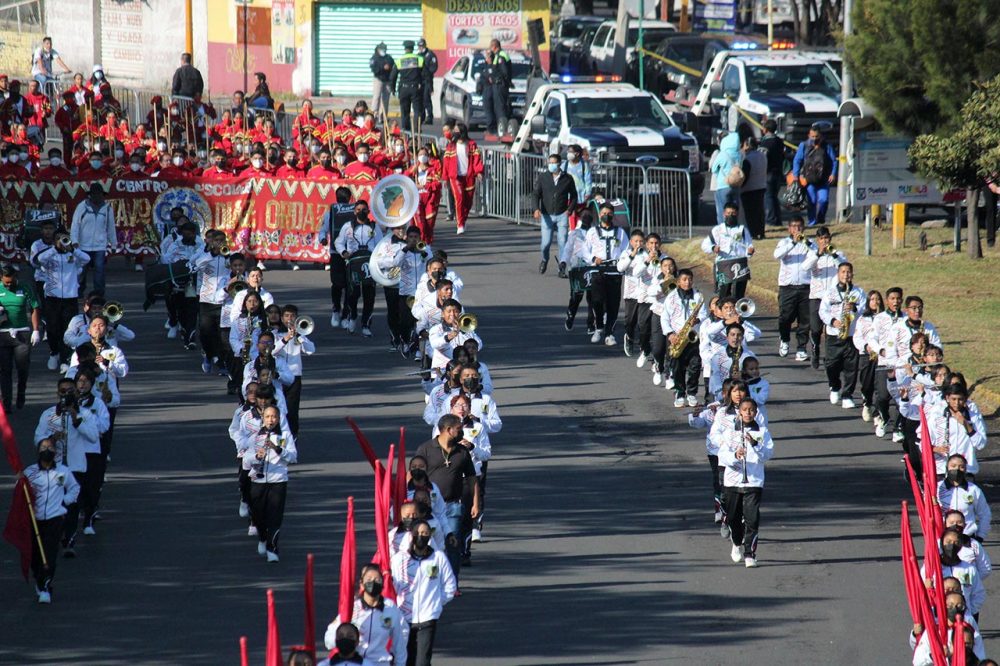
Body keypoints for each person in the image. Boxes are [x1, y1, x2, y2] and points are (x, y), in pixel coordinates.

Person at [34, 377, 100, 557]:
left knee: (72, 505)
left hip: (76, 467)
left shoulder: (84, 414)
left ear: (76, 392)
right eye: (63, 391)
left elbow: (93, 437)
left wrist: (75, 418)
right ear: (57, 393)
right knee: (56, 504)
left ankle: (69, 540)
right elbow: (38, 439)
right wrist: (52, 439)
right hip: (54, 468)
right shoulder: (48, 414)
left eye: (70, 391)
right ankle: (56, 535)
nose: (66, 395)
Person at [415, 415, 481, 581]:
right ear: (448, 430)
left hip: (453, 507)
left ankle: (452, 582)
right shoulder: (426, 449)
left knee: (453, 544)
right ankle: (430, 580)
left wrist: (475, 503)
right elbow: (414, 475)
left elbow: (473, 478)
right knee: (430, 544)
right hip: (429, 508)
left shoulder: (462, 452)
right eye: (459, 429)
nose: (462, 433)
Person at [390, 518, 457, 666]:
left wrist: (436, 603)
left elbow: (450, 585)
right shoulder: (399, 560)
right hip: (404, 619)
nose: (421, 536)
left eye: (425, 533)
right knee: (406, 660)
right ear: (411, 536)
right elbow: (392, 586)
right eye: (418, 533)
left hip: (427, 619)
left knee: (422, 662)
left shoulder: (438, 558)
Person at [718, 398, 774, 568]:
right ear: (739, 412)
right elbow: (722, 456)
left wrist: (755, 445)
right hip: (732, 482)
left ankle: (750, 554)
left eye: (751, 410)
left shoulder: (762, 432)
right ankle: (736, 542)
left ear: (756, 412)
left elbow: (768, 455)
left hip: (754, 482)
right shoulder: (729, 433)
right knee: (733, 517)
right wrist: (735, 455)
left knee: (752, 518)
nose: (748, 412)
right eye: (745, 409)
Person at [24, 438, 80, 604]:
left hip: (55, 519)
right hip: (35, 520)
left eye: (49, 447)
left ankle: (45, 586)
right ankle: (39, 578)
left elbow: (74, 488)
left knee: (49, 554)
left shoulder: (63, 471)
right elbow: (22, 494)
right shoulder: (30, 472)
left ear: (55, 452)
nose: (46, 450)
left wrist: (65, 501)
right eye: (43, 447)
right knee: (35, 556)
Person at [242, 405, 296, 562]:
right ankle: (263, 537)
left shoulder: (284, 435)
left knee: (275, 515)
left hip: (278, 480)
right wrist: (257, 457)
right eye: (267, 417)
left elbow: (293, 457)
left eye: (273, 417)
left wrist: (278, 449)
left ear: (278, 419)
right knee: (258, 514)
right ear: (263, 419)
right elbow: (246, 460)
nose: (270, 420)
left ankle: (273, 548)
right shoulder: (254, 437)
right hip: (258, 480)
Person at [323, 563, 408, 664]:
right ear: (361, 583)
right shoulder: (352, 607)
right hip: (355, 662)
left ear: (382, 584)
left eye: (377, 580)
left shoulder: (390, 609)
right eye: (369, 579)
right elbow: (329, 639)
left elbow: (400, 642)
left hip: (379, 663)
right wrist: (346, 639)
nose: (373, 582)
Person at [38, 231, 90, 371]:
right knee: (52, 328)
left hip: (70, 298)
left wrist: (72, 249)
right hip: (52, 297)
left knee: (68, 328)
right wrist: (55, 248)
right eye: (59, 239)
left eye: (64, 239)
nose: (62, 241)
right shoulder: (49, 254)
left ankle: (65, 359)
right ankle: (54, 352)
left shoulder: (73, 254)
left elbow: (87, 259)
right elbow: (40, 260)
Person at [818, 262, 865, 409]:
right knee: (831, 365)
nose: (846, 275)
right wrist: (833, 321)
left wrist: (855, 307)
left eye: (849, 272)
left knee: (851, 367)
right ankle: (834, 386)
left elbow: (865, 310)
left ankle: (847, 395)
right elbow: (822, 311)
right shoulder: (830, 292)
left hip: (852, 336)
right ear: (838, 274)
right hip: (834, 335)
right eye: (843, 272)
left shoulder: (858, 292)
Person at [661, 268, 709, 408]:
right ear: (678, 281)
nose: (687, 282)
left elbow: (704, 314)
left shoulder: (698, 296)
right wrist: (670, 334)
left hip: (693, 337)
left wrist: (698, 320)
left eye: (690, 280)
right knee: (677, 368)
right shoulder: (671, 297)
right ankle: (680, 393)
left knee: (695, 366)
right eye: (684, 280)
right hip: (677, 336)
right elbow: (665, 318)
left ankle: (692, 393)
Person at [802, 226, 846, 369]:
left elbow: (844, 267)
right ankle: (815, 349)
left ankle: (829, 357)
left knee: (830, 329)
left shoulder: (838, 254)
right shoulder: (812, 254)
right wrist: (818, 254)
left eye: (826, 238)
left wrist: (833, 255)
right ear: (818, 240)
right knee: (815, 329)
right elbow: (805, 268)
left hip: (832, 298)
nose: (824, 241)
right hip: (816, 296)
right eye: (821, 239)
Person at [585, 202, 627, 345]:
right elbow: (584, 250)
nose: (606, 216)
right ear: (599, 215)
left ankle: (610, 333)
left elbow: (625, 250)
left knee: (613, 304)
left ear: (613, 215)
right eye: (603, 213)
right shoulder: (592, 232)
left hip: (614, 272)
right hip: (598, 271)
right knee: (596, 301)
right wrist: (592, 259)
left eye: (609, 214)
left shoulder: (620, 232)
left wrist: (622, 262)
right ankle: (598, 327)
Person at [0, 266, 42, 411]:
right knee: (5, 370)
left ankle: (21, 393)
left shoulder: (24, 287)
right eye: (6, 283)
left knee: (22, 367)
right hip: (3, 333)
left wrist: (36, 330)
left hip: (21, 333)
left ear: (16, 277)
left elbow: (34, 307)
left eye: (11, 282)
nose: (9, 285)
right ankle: (6, 403)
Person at [774, 216, 813, 361]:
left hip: (806, 286)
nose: (797, 229)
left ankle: (801, 348)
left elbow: (816, 255)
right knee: (785, 317)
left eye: (799, 226)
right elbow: (777, 255)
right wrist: (793, 242)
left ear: (803, 227)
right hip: (787, 287)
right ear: (789, 228)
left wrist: (806, 243)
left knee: (805, 320)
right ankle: (784, 339)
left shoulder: (810, 243)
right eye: (794, 226)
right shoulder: (784, 242)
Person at [533, 152, 578, 275]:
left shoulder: (567, 178)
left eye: (554, 162)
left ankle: (561, 267)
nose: (552, 165)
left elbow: (574, 196)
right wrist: (536, 208)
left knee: (562, 241)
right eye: (550, 162)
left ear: (559, 164)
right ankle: (544, 259)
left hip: (562, 214)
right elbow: (536, 194)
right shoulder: (543, 177)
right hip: (547, 214)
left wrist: (570, 209)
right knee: (545, 243)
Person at [274, 305, 314, 438]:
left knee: (292, 409)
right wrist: (285, 339)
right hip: (278, 376)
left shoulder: (301, 334)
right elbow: (272, 351)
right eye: (286, 316)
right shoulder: (275, 334)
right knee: (277, 408)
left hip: (294, 376)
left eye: (292, 316)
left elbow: (311, 350)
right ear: (281, 318)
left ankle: (293, 436)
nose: (289, 319)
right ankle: (277, 435)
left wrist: (300, 337)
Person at [70, 183, 116, 297]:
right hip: (83, 245)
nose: (97, 197)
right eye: (94, 194)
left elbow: (111, 227)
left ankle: (99, 293)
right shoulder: (82, 206)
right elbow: (75, 225)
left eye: (99, 194)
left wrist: (113, 244)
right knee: (82, 270)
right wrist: (74, 240)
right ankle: (79, 290)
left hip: (100, 245)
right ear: (90, 195)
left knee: (99, 270)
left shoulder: (107, 209)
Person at [702, 201, 754, 299]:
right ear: (724, 214)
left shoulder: (742, 230)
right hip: (723, 263)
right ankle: (723, 310)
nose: (730, 215)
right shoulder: (717, 230)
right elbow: (705, 245)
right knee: (724, 291)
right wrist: (713, 248)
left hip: (739, 264)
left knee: (739, 292)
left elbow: (748, 245)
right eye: (728, 213)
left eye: (733, 213)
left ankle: (738, 311)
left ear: (737, 214)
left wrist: (750, 252)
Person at [791, 123, 837, 227]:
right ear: (809, 135)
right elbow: (797, 160)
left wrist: (833, 174)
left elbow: (834, 161)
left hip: (823, 179)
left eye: (817, 136)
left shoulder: (827, 146)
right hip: (809, 179)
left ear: (820, 136)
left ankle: (821, 218)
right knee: (812, 201)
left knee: (823, 200)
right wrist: (796, 175)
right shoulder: (804, 145)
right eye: (812, 136)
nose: (814, 139)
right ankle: (812, 221)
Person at [939, 454, 991, 541]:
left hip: (967, 538)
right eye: (953, 466)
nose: (957, 469)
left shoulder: (973, 490)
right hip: (943, 539)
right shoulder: (937, 489)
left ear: (966, 470)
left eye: (961, 467)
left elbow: (985, 514)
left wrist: (980, 536)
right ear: (947, 467)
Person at [441, 124, 482, 234]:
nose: (454, 132)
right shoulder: (451, 146)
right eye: (453, 130)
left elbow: (476, 159)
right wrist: (445, 178)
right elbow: (446, 163)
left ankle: (463, 220)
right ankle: (460, 225)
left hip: (468, 176)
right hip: (455, 177)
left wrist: (478, 172)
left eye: (456, 130)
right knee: (459, 199)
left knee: (468, 202)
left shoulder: (471, 144)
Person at [616, 230, 650, 357]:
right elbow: (620, 268)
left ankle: (643, 344)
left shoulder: (647, 254)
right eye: (636, 241)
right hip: (631, 293)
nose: (638, 243)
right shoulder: (626, 253)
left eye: (641, 241)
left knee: (643, 322)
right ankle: (629, 337)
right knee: (630, 321)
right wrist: (632, 255)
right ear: (631, 242)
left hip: (645, 293)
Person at [480, 40, 512, 138]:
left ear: (494, 47)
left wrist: (498, 80)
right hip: (497, 85)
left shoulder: (500, 56)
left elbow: (504, 72)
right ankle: (500, 130)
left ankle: (503, 131)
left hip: (499, 85)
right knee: (498, 108)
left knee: (500, 108)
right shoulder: (498, 55)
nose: (490, 49)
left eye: (491, 47)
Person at [710, 130, 742, 226]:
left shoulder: (722, 154)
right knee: (735, 209)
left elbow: (713, 168)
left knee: (723, 209)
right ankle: (735, 226)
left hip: (723, 185)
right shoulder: (738, 155)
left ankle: (723, 228)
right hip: (736, 185)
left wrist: (719, 174)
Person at [759, 118, 785, 228]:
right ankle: (778, 218)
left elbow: (762, 158)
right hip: (778, 172)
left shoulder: (765, 143)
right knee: (774, 196)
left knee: (768, 197)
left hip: (768, 173)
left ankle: (770, 220)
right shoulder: (779, 141)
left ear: (765, 129)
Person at [740, 135, 767, 240]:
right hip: (761, 186)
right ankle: (761, 231)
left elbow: (745, 176)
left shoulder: (748, 159)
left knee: (750, 213)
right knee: (760, 211)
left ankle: (753, 233)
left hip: (749, 188)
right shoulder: (762, 155)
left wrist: (740, 185)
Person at [370, 43, 394, 117]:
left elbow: (393, 67)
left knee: (385, 99)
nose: (383, 51)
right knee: (376, 97)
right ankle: (373, 114)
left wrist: (389, 67)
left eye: (384, 49)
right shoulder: (374, 58)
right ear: (378, 49)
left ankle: (383, 116)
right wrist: (383, 68)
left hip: (387, 80)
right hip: (378, 79)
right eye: (381, 49)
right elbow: (374, 69)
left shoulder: (389, 58)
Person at [417, 38, 438, 124]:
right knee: (420, 98)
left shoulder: (430, 55)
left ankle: (429, 117)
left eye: (422, 46)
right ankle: (422, 117)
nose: (421, 48)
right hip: (419, 80)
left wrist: (428, 73)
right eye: (419, 46)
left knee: (426, 98)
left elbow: (434, 66)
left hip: (427, 80)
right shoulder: (418, 55)